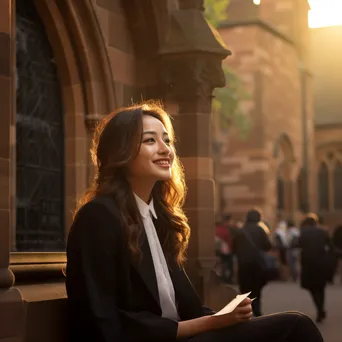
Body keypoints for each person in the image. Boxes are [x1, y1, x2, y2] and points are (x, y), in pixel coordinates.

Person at [66, 102, 324, 342]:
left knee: (295, 327)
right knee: (296, 329)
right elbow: (104, 321)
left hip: (189, 336)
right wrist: (213, 323)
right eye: (150, 140)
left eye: (167, 140)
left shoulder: (159, 219)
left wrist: (225, 316)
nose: (166, 149)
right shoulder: (98, 217)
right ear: (121, 151)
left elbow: (187, 308)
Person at [233, 209, 274, 317]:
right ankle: (257, 310)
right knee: (257, 289)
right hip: (257, 264)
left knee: (245, 289)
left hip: (243, 264)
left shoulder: (241, 230)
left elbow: (234, 248)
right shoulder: (261, 229)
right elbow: (267, 246)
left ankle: (245, 312)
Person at [299, 213, 331, 323]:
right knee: (321, 288)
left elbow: (299, 244)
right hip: (321, 262)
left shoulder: (304, 232)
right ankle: (321, 309)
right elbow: (329, 245)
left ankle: (319, 308)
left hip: (308, 263)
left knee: (312, 288)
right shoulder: (323, 231)